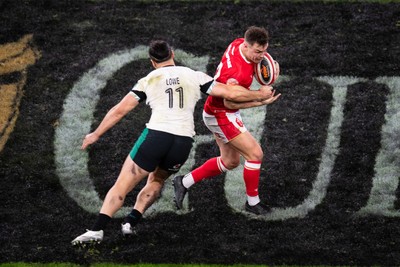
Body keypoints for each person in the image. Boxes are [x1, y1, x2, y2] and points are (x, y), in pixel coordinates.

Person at [71, 39, 278, 245]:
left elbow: (119, 110)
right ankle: (130, 222)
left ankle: (97, 230)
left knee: (121, 187)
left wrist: (95, 134)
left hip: (156, 138)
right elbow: (230, 93)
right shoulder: (194, 75)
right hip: (183, 143)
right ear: (173, 55)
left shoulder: (148, 80)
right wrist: (259, 95)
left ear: (153, 62)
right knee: (156, 181)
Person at [173, 26, 281, 215]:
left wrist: (264, 66)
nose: (261, 56)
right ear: (247, 46)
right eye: (257, 52)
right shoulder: (236, 74)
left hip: (217, 110)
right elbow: (230, 103)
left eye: (264, 51)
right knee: (255, 154)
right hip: (221, 114)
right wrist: (260, 98)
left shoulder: (239, 43)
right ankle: (253, 203)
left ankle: (183, 182)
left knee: (230, 161)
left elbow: (254, 63)